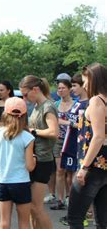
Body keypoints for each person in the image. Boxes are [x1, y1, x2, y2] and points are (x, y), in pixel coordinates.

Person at [68, 63, 107, 228]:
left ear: (95, 80)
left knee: (75, 218)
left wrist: (84, 167)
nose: (84, 85)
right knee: (102, 221)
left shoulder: (97, 101)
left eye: (86, 81)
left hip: (92, 165)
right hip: (104, 165)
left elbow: (97, 136)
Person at [0, 97, 36, 229]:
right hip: (21, 182)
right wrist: (34, 159)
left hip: (3, 182)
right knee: (24, 223)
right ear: (24, 115)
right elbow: (30, 166)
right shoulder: (28, 137)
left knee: (4, 222)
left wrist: (3, 161)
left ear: (5, 114)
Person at [19, 75, 59, 229]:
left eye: (25, 94)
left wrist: (32, 131)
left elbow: (54, 132)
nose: (24, 98)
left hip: (43, 161)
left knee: (37, 207)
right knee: (30, 208)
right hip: (34, 159)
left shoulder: (48, 106)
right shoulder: (36, 106)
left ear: (35, 89)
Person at [59, 73, 90, 226]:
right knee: (70, 178)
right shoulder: (77, 103)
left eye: (75, 86)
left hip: (82, 147)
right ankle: (74, 212)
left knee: (78, 181)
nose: (72, 89)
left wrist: (63, 122)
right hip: (71, 144)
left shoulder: (90, 104)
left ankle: (83, 214)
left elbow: (83, 126)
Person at [51, 79, 74, 210]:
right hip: (58, 140)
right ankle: (60, 199)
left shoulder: (75, 104)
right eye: (59, 88)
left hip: (71, 140)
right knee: (60, 170)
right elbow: (54, 120)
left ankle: (69, 197)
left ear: (69, 89)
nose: (60, 90)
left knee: (69, 172)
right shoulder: (55, 104)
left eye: (63, 88)